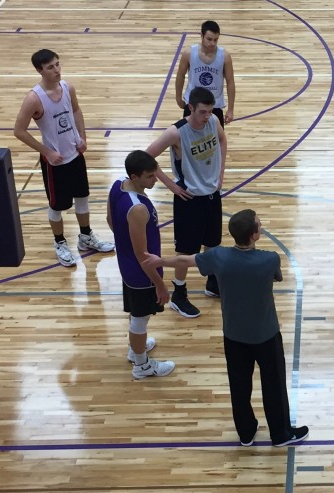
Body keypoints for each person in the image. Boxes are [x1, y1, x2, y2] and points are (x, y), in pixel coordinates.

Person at [143, 209, 309, 446]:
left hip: (234, 335)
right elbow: (276, 277)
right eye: (259, 225)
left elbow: (185, 260)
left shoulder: (219, 257)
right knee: (273, 383)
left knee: (239, 386)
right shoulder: (270, 259)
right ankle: (280, 433)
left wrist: (160, 261)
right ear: (254, 235)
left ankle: (246, 433)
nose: (261, 227)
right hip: (265, 335)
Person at [14, 48, 114, 267]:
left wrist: (82, 137)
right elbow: (19, 131)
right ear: (40, 70)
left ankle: (86, 237)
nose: (57, 70)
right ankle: (59, 242)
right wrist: (46, 151)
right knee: (57, 206)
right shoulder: (34, 98)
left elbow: (76, 111)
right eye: (51, 67)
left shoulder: (68, 88)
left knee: (82, 197)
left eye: (58, 64)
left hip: (75, 155)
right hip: (54, 163)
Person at [146, 86, 227, 318]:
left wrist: (220, 173)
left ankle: (212, 283)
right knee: (185, 250)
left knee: (213, 243)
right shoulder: (177, 132)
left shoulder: (213, 121)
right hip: (189, 199)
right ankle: (179, 294)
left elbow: (222, 140)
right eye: (203, 111)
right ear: (190, 108)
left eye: (210, 111)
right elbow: (146, 156)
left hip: (212, 194)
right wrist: (172, 185)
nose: (207, 116)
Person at [107, 150, 175, 380]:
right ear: (135, 177)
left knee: (138, 314)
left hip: (127, 265)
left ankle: (136, 348)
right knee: (140, 318)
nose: (155, 180)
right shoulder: (138, 208)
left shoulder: (118, 185)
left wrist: (124, 244)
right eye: (150, 177)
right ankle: (141, 365)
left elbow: (110, 220)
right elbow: (143, 255)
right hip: (141, 272)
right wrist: (160, 284)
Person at [175, 20, 236, 128]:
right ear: (201, 36)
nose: (212, 43)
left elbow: (230, 81)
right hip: (192, 105)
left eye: (215, 40)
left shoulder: (225, 56)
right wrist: (178, 98)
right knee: (189, 141)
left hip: (214, 106)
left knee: (215, 142)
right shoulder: (189, 53)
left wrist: (230, 109)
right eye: (209, 39)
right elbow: (180, 76)